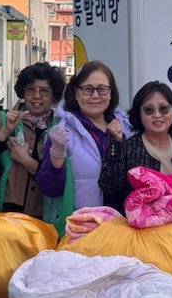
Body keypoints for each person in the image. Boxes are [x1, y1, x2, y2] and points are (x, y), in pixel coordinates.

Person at [35, 61, 130, 235]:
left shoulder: (126, 128)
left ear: (111, 93)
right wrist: (57, 154)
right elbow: (50, 189)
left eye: (102, 89)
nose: (95, 95)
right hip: (80, 231)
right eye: (87, 89)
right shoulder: (62, 132)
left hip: (123, 229)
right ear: (75, 93)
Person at [99, 81, 172, 208]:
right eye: (149, 110)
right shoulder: (128, 147)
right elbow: (108, 186)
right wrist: (116, 143)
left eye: (164, 109)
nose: (157, 115)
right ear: (139, 114)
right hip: (139, 219)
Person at [0, 62, 66, 215]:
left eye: (44, 90)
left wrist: (26, 160)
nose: (36, 96)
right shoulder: (1, 120)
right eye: (30, 89)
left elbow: (59, 176)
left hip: (43, 212)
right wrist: (5, 131)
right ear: (22, 92)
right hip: (6, 210)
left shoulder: (60, 128)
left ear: (54, 96)